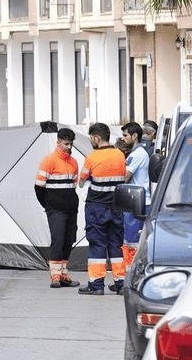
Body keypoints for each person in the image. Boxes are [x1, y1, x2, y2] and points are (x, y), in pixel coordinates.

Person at [78, 122, 127, 295]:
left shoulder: (92, 157)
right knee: (116, 245)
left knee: (97, 244)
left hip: (96, 208)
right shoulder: (120, 155)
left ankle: (96, 285)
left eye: (91, 137)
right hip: (117, 207)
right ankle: (120, 283)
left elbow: (81, 180)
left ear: (97, 138)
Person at [35, 128, 81, 288]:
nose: (69, 147)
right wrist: (49, 205)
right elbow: (39, 187)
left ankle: (63, 274)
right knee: (58, 240)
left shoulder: (74, 162)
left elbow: (73, 186)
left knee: (68, 240)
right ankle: (55, 276)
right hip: (56, 209)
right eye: (66, 144)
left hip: (70, 208)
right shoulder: (49, 161)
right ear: (58, 142)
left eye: (70, 144)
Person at [120, 122, 151, 283]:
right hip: (136, 201)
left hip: (137, 202)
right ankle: (130, 277)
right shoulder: (136, 153)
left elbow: (124, 177)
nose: (123, 138)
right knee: (131, 241)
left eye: (126, 135)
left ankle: (131, 279)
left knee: (132, 241)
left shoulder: (137, 154)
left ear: (135, 136)